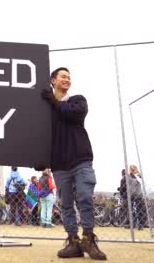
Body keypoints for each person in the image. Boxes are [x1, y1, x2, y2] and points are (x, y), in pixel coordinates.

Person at [40, 67, 106, 260]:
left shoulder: (78, 100)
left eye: (69, 77)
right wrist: (40, 159)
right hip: (59, 163)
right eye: (63, 77)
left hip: (80, 159)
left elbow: (74, 113)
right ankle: (73, 241)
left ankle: (88, 238)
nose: (67, 80)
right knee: (66, 203)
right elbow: (39, 133)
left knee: (85, 197)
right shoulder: (45, 107)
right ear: (53, 80)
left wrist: (54, 101)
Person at [126, 165, 145, 230]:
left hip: (137, 194)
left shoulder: (138, 176)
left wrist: (137, 174)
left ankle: (140, 225)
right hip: (132, 195)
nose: (130, 170)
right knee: (131, 210)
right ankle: (132, 224)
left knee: (139, 210)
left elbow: (139, 182)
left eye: (131, 169)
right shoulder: (129, 176)